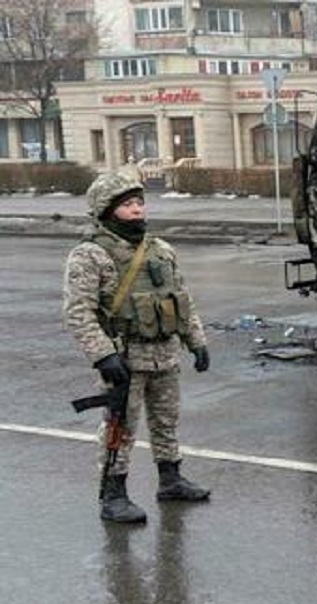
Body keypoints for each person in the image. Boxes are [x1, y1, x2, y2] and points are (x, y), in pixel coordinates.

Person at [63, 171, 212, 524]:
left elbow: (182, 299)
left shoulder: (160, 250)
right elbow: (77, 311)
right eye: (127, 205)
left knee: (167, 421)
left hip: (164, 354)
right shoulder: (91, 255)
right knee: (120, 429)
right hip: (125, 360)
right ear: (106, 210)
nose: (136, 210)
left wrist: (197, 341)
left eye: (139, 203)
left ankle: (171, 479)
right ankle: (113, 494)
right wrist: (103, 354)